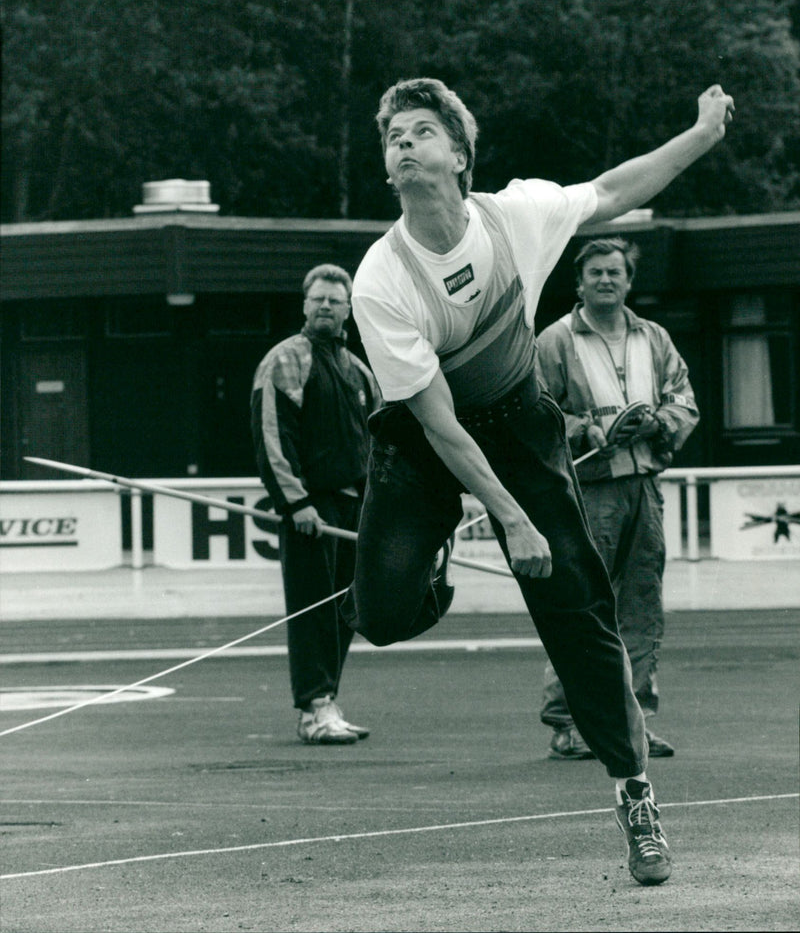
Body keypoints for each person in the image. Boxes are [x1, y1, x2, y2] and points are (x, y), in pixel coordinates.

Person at [340, 77, 734, 886]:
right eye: (393, 138)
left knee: (580, 613)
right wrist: (506, 518)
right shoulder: (380, 276)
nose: (404, 145)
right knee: (378, 616)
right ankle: (433, 561)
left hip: (521, 426)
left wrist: (700, 134)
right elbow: (438, 421)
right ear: (388, 169)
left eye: (421, 132)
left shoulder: (515, 215)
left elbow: (617, 188)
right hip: (424, 441)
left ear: (459, 153)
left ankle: (636, 800)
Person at [537, 238, 699, 762]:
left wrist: (662, 422)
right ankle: (569, 723)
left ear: (629, 281)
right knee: (584, 604)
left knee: (642, 604)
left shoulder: (654, 336)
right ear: (579, 283)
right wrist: (583, 429)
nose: (606, 280)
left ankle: (634, 722)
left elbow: (682, 396)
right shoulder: (555, 341)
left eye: (615, 272)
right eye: (596, 273)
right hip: (587, 489)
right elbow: (536, 409)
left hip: (645, 486)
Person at [250, 264, 381, 745]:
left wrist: (376, 509)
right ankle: (313, 709)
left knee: (346, 610)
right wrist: (297, 503)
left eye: (335, 300)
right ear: (304, 304)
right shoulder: (284, 361)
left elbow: (378, 445)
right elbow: (272, 440)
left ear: (348, 309)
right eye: (318, 299)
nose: (326, 307)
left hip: (355, 510)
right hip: (311, 512)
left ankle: (328, 701)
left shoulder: (360, 370)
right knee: (311, 610)